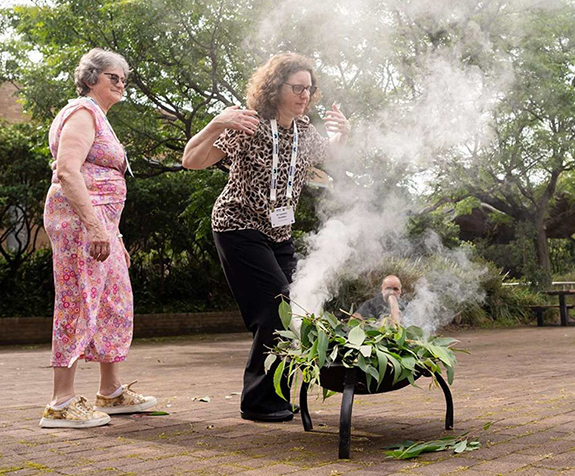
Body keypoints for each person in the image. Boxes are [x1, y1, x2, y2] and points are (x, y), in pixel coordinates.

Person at [183, 52, 350, 423]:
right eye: (297, 87)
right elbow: (191, 160)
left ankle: (274, 396)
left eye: (309, 88)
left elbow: (333, 156)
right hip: (238, 227)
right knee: (276, 308)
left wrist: (343, 134)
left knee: (299, 312)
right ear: (276, 89)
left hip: (280, 234)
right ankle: (259, 401)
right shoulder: (248, 125)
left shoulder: (304, 132)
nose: (305, 94)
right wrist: (215, 124)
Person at [40, 48, 157, 428]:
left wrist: (114, 234)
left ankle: (110, 390)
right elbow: (68, 172)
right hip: (79, 222)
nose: (121, 84)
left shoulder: (99, 118)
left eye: (124, 78)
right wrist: (93, 226)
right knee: (79, 298)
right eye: (113, 77)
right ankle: (60, 402)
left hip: (103, 225)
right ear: (92, 79)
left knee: (114, 301)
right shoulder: (82, 112)